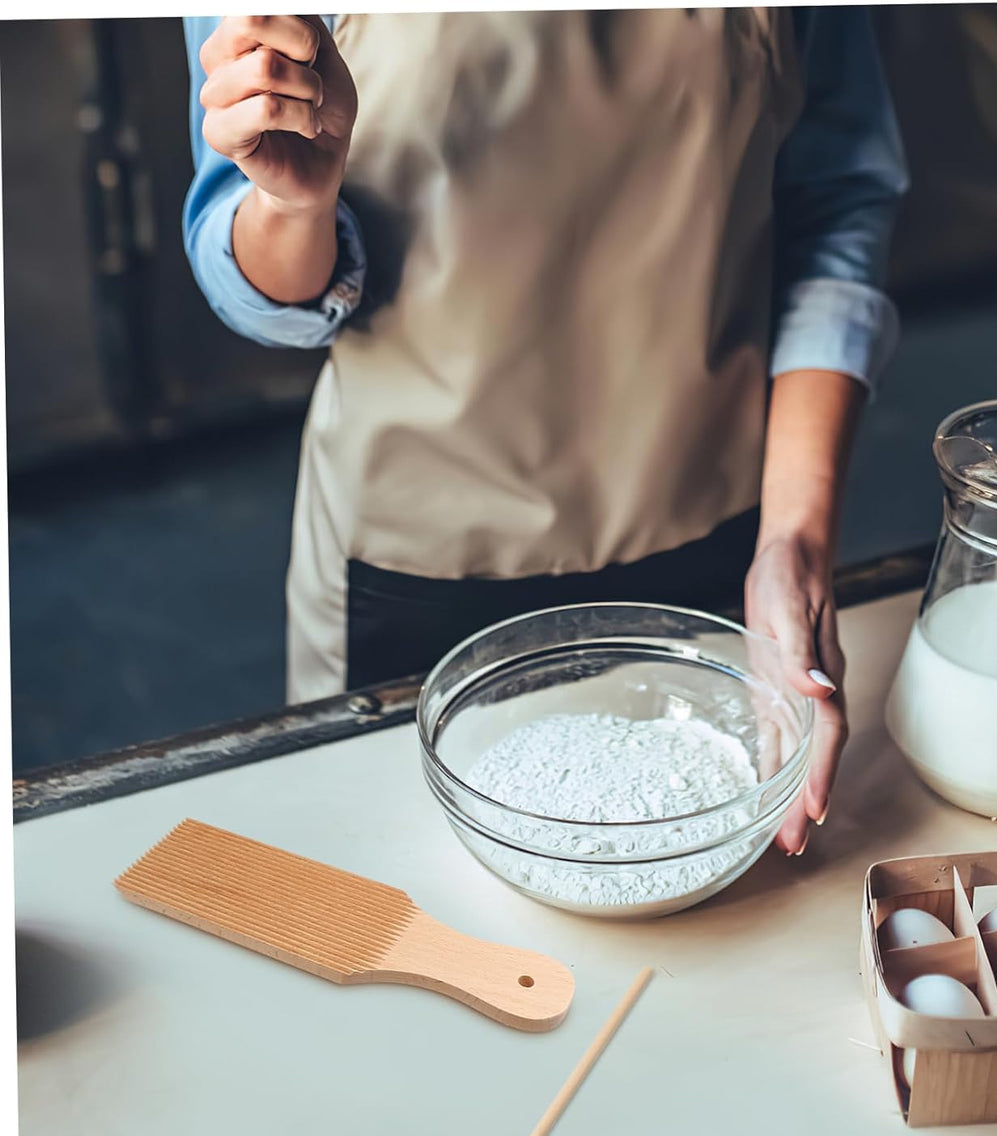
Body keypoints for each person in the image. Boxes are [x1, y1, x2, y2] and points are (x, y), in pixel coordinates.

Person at [183, 9, 908, 857]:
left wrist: (795, 539)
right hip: (410, 564)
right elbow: (248, 269)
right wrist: (291, 205)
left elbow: (835, 205)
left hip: (720, 539)